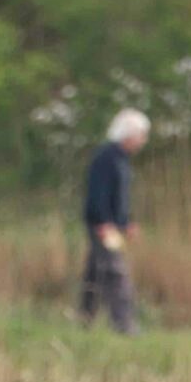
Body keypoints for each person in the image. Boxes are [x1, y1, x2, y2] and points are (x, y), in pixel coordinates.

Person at [80, 109, 150, 333]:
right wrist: (104, 223)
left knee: (95, 272)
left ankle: (84, 319)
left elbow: (118, 197)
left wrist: (126, 222)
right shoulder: (106, 157)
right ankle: (124, 325)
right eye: (141, 135)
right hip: (103, 226)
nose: (143, 141)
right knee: (115, 272)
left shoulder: (121, 159)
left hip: (113, 225)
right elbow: (98, 194)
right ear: (128, 134)